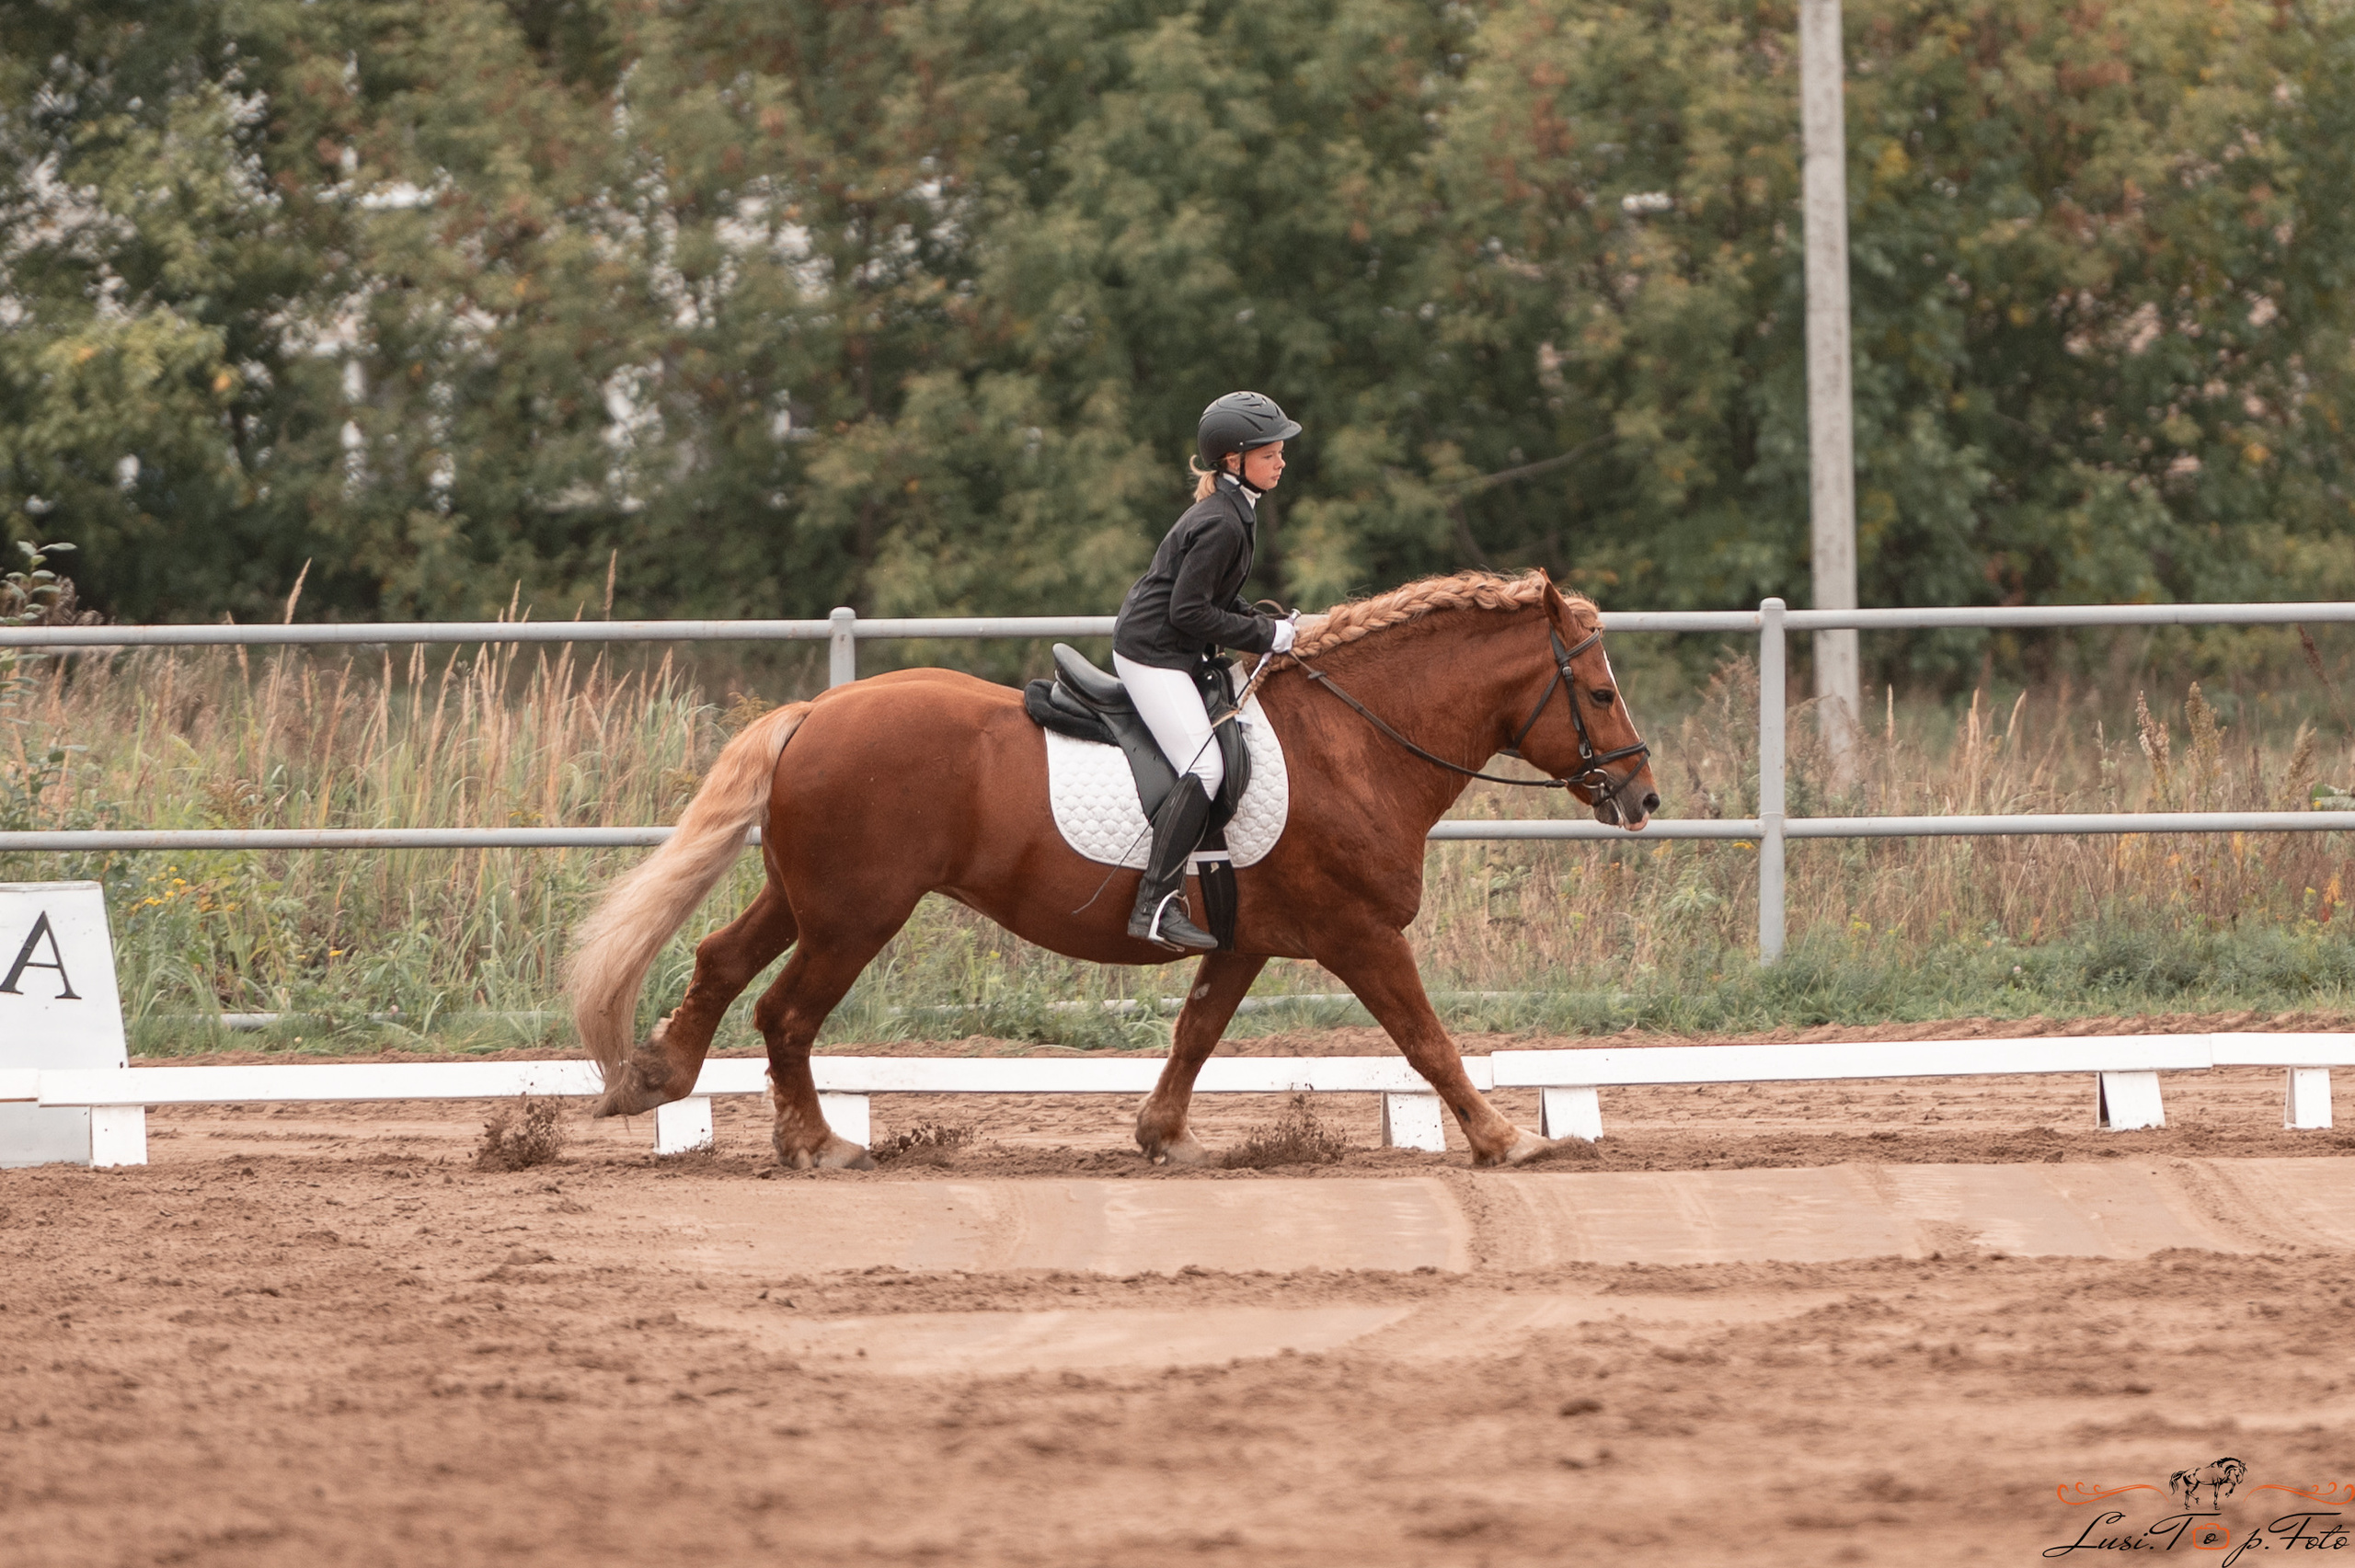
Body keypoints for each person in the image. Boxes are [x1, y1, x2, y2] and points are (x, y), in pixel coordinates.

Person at [1110, 390, 1305, 950]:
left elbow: (1217, 597)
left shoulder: (1233, 509)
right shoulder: (1222, 521)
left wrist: (1266, 621)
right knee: (1207, 767)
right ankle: (1153, 904)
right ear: (1233, 460)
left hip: (1174, 647)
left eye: (1279, 453)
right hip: (1153, 653)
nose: (1281, 462)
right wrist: (1266, 635)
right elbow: (1189, 611)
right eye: (1270, 454)